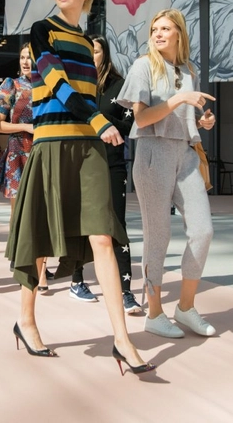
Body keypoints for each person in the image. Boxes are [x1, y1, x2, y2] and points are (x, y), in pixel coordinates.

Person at [5, 0, 152, 375]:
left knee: (102, 235)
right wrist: (98, 121)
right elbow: (54, 80)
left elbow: (91, 94)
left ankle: (121, 339)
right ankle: (27, 320)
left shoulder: (88, 43)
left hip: (88, 148)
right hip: (51, 144)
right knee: (40, 236)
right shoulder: (42, 30)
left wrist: (103, 125)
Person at [117, 8, 217, 340]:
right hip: (152, 152)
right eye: (155, 28)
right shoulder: (143, 66)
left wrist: (201, 122)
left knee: (203, 232)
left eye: (166, 28)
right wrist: (177, 100)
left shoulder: (189, 70)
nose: (158, 33)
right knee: (157, 236)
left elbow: (187, 114)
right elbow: (142, 119)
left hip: (185, 152)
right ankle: (155, 313)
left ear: (179, 34)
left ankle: (185, 308)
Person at [91, 34, 141, 314]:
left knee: (117, 226)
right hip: (84, 164)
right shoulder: (78, 87)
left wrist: (96, 117)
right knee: (84, 225)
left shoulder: (120, 87)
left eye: (96, 52)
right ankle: (77, 281)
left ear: (105, 55)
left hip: (112, 164)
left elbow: (128, 127)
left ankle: (126, 291)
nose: (91, 57)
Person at [0, 44, 34, 213]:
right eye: (22, 57)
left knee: (40, 210)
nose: (25, 61)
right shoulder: (12, 85)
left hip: (42, 150)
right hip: (17, 153)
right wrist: (26, 127)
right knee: (17, 213)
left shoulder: (48, 87)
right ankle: (14, 240)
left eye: (29, 57)